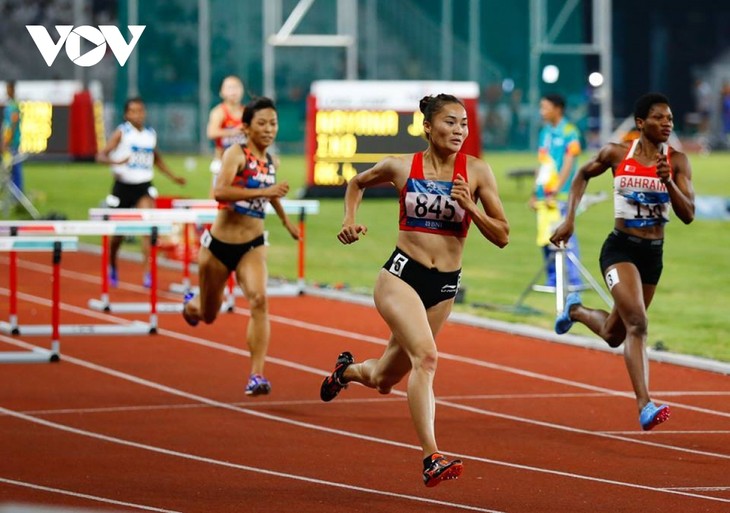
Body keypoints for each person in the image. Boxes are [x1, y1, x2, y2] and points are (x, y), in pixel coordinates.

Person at [319, 94, 509, 487]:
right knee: (426, 358)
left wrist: (471, 208)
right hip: (401, 277)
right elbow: (356, 182)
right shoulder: (402, 166)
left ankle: (347, 371)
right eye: (450, 123)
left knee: (385, 378)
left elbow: (503, 235)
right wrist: (349, 220)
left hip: (444, 288)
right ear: (427, 126)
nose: (459, 131)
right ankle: (431, 458)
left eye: (464, 124)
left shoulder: (476, 172)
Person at [550, 93, 695, 431]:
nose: (667, 123)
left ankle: (575, 311)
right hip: (619, 251)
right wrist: (569, 218)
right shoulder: (617, 154)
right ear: (641, 123)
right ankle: (645, 404)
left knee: (615, 334)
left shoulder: (677, 161)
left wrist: (668, 182)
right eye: (659, 117)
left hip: (653, 256)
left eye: (670, 118)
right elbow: (582, 175)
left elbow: (688, 214)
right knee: (638, 325)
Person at [182, 97, 299, 396]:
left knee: (259, 299)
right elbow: (219, 191)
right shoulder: (236, 153)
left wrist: (286, 222)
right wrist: (266, 189)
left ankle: (256, 375)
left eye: (273, 123)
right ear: (246, 127)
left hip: (253, 245)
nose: (269, 129)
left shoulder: (272, 160)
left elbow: (271, 195)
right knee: (209, 314)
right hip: (219, 246)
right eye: (262, 123)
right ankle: (192, 304)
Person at [96, 97, 187, 287]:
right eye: (133, 111)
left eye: (141, 111)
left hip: (143, 185)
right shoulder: (122, 132)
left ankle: (148, 272)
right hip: (123, 186)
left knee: (147, 229)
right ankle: (112, 264)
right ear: (126, 114)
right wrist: (116, 162)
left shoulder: (150, 135)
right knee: (118, 234)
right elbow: (100, 155)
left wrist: (173, 177)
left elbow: (157, 159)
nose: (138, 115)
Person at [531, 93, 582, 288]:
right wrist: (536, 192)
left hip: (561, 193)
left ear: (557, 109)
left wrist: (557, 188)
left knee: (565, 234)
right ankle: (553, 279)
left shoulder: (570, 132)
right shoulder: (545, 132)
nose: (542, 111)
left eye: (545, 107)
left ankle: (573, 280)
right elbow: (542, 163)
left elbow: (569, 162)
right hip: (544, 194)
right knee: (546, 236)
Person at [206, 76, 246, 198]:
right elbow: (211, 132)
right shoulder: (219, 112)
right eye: (229, 88)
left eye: (236, 87)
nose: (233, 91)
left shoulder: (247, 112)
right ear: (222, 92)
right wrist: (233, 132)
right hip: (222, 164)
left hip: (243, 165)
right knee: (216, 199)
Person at [1, 81, 23, 195]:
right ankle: (14, 194)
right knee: (10, 169)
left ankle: (17, 194)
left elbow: (13, 124)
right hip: (8, 140)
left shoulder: (14, 105)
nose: (6, 91)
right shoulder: (10, 104)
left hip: (12, 142)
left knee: (14, 168)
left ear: (12, 89)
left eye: (8, 89)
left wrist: (6, 141)